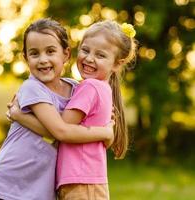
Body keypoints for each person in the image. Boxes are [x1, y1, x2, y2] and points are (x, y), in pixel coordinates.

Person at [0, 18, 114, 200]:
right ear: (26, 58)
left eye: (51, 51)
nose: (43, 60)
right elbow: (58, 131)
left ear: (66, 54)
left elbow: (85, 121)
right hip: (10, 183)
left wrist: (19, 115)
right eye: (34, 53)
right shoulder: (32, 88)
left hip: (41, 187)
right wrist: (104, 133)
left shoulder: (76, 89)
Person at [8, 20, 137, 200]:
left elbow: (61, 128)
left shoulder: (90, 87)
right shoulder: (100, 88)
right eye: (85, 50)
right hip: (85, 179)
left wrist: (19, 116)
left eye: (100, 55)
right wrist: (105, 133)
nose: (89, 58)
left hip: (81, 180)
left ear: (116, 64)